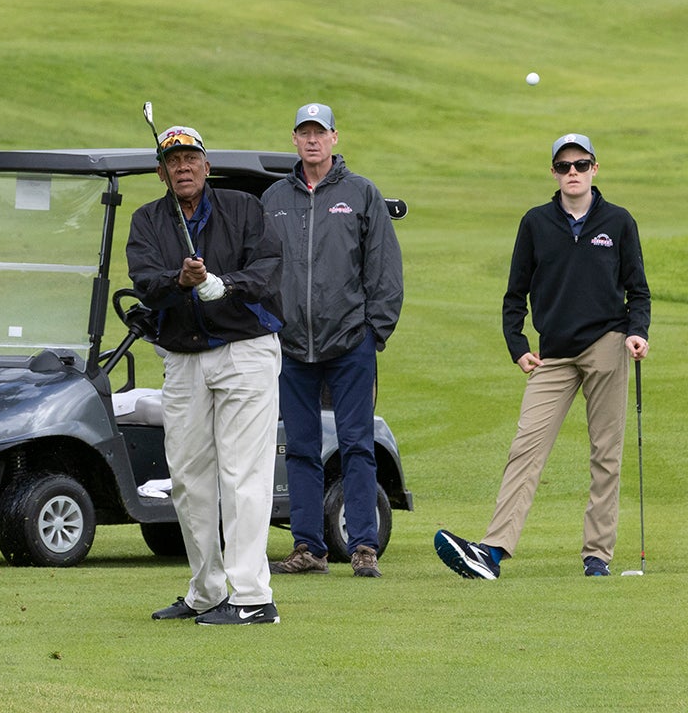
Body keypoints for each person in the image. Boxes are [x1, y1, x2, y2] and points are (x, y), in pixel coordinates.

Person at [435, 133, 650, 579]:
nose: (573, 172)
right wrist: (518, 346)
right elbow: (515, 294)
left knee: (605, 454)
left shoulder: (618, 221)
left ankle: (597, 556)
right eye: (565, 165)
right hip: (552, 353)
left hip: (607, 344)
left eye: (581, 164)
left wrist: (636, 333)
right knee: (526, 447)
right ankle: (491, 553)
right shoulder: (535, 223)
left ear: (595, 169)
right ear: (553, 172)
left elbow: (639, 291)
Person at [127, 125, 285, 626]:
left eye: (191, 158)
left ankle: (253, 597)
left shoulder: (243, 208)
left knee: (241, 475)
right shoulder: (148, 220)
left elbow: (268, 268)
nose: (183, 168)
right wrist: (182, 280)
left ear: (206, 165)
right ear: (161, 172)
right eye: (172, 162)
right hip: (184, 358)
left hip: (245, 352)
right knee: (189, 478)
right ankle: (208, 590)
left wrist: (223, 284)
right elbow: (145, 282)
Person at [262, 103, 404, 578]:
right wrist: (271, 326)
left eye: (319, 132)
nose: (312, 140)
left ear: (334, 137)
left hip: (349, 345)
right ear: (295, 139)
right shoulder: (274, 198)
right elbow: (262, 269)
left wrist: (373, 334)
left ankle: (364, 546)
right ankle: (309, 547)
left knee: (357, 445)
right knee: (299, 448)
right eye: (304, 132)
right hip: (293, 347)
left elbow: (384, 270)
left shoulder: (361, 194)